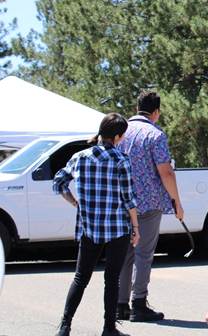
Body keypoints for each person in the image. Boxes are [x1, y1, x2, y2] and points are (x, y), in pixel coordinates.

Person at [53, 113, 140, 336]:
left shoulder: (80, 157)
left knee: (81, 278)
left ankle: (65, 325)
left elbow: (59, 182)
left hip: (89, 227)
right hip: (117, 229)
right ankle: (108, 328)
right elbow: (129, 199)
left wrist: (76, 203)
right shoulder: (121, 159)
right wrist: (136, 229)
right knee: (112, 280)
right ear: (118, 136)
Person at [116, 91, 184, 322]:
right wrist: (176, 201)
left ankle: (121, 304)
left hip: (122, 202)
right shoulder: (155, 134)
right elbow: (165, 171)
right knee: (143, 254)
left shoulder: (121, 132)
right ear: (156, 112)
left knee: (125, 253)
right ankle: (139, 303)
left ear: (137, 108)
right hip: (148, 202)